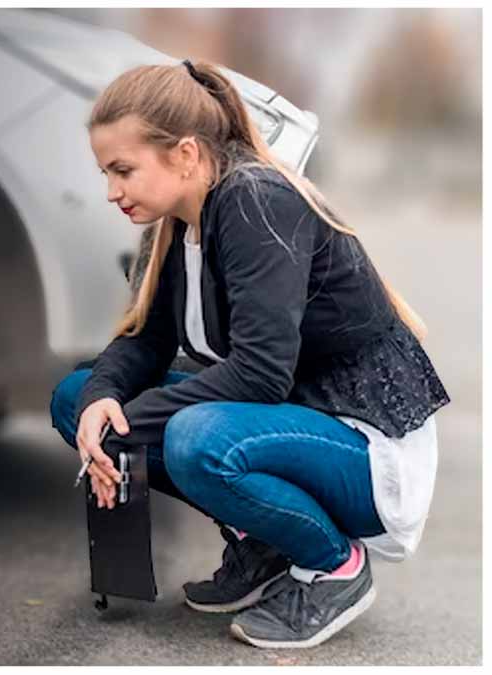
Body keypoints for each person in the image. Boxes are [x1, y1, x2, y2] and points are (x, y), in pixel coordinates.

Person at [49, 59, 450, 649]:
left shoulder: (256, 201)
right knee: (74, 398)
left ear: (185, 154)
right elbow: (147, 340)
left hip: (364, 449)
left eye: (123, 170)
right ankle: (264, 544)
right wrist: (103, 403)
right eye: (107, 172)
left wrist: (129, 421)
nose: (112, 191)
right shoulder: (173, 223)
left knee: (193, 436)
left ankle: (333, 565)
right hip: (280, 425)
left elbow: (261, 374)